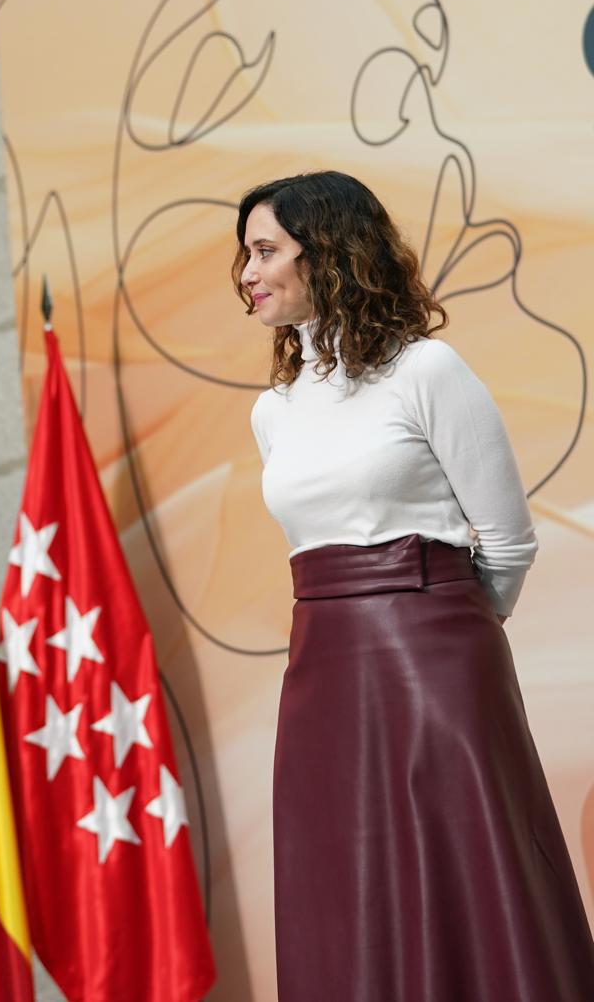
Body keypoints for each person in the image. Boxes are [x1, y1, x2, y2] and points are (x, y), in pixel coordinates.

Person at [237, 170, 594, 1001]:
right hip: (321, 669)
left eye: (265, 251)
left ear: (327, 252)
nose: (248, 274)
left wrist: (447, 631)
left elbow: (505, 542)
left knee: (469, 872)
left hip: (436, 657)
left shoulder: (426, 370)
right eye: (244, 256)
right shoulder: (274, 410)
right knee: (347, 884)